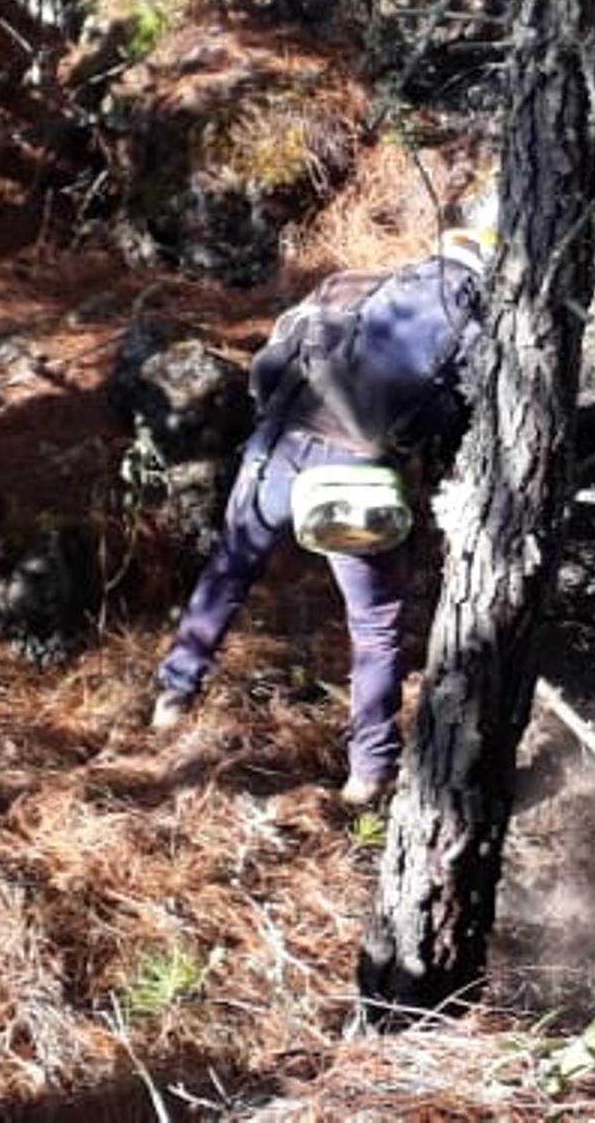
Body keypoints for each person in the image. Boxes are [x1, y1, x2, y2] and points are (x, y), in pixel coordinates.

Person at [152, 227, 493, 806]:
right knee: (376, 626)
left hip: (276, 454)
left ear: (434, 249)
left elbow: (272, 362)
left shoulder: (353, 285)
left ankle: (173, 697)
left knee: (229, 572)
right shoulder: (481, 329)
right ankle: (368, 773)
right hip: (357, 481)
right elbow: (462, 420)